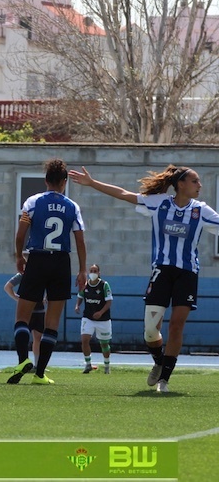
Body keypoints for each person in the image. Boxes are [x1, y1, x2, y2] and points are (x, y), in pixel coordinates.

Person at [69, 164, 219, 393]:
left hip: (188, 274)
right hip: (161, 272)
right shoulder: (159, 203)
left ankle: (165, 379)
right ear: (180, 184)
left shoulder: (201, 211)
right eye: (195, 181)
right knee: (150, 331)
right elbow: (124, 194)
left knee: (177, 326)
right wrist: (92, 183)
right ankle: (159, 361)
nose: (200, 185)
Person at [7, 158, 86, 386]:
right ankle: (40, 374)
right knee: (52, 322)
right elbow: (80, 240)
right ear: (64, 182)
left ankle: (23, 360)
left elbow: (20, 234)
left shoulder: (32, 202)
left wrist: (19, 256)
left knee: (22, 317)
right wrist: (82, 269)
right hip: (61, 262)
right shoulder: (73, 206)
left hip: (38, 258)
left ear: (45, 180)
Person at [75, 264, 113, 374]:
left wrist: (101, 312)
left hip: (103, 319)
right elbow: (80, 296)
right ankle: (88, 364)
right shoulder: (85, 285)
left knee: (104, 344)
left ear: (99, 273)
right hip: (88, 317)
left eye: (95, 271)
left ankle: (107, 366)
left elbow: (109, 301)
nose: (93, 273)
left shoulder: (104, 285)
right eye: (91, 270)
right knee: (84, 340)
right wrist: (77, 305)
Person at [3, 270, 45, 367]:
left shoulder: (43, 273)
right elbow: (7, 287)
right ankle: (23, 361)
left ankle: (37, 364)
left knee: (38, 337)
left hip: (39, 310)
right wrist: (17, 298)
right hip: (27, 311)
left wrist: (46, 298)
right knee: (24, 336)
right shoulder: (22, 274)